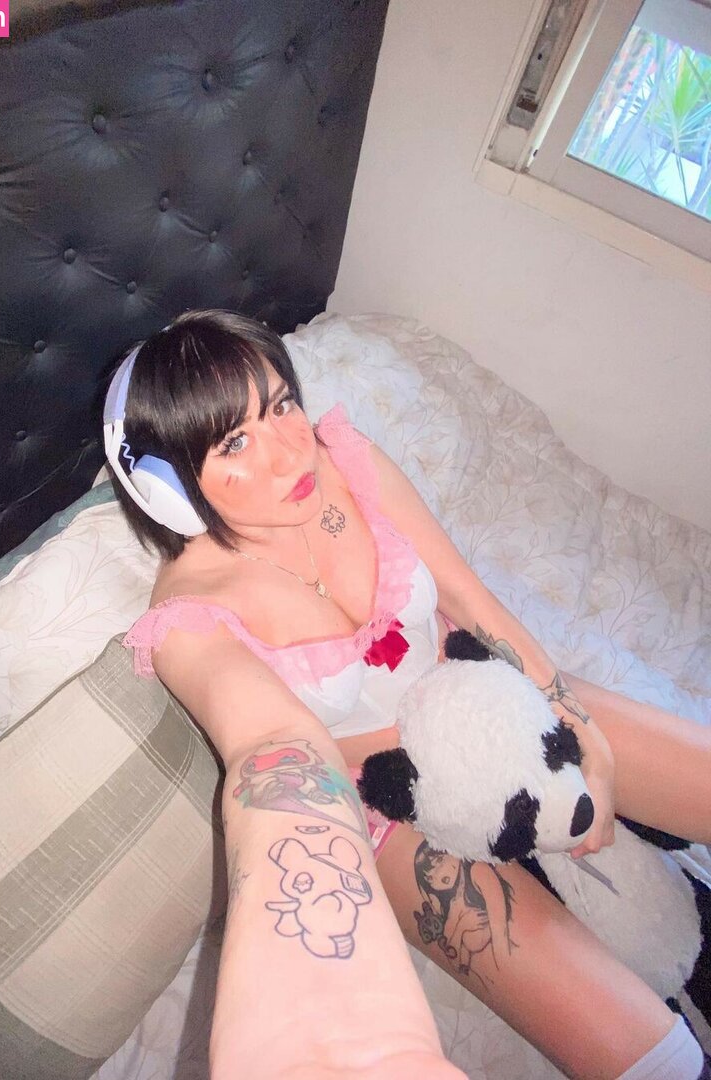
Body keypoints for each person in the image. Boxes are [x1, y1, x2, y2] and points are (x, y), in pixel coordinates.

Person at [106, 309, 711, 1080]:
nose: (289, 448)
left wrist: (569, 713)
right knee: (657, 1059)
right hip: (393, 810)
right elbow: (274, 752)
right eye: (235, 443)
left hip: (482, 690)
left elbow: (468, 596)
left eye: (281, 405)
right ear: (169, 490)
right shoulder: (187, 620)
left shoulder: (342, 460)